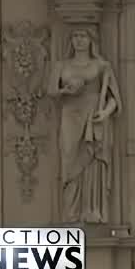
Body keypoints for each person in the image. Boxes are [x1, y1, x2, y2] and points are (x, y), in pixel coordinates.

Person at [49, 28, 120, 224]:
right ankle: (70, 214)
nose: (79, 40)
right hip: (70, 116)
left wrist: (104, 113)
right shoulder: (61, 65)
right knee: (69, 161)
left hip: (93, 115)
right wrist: (67, 90)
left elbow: (113, 98)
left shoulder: (102, 66)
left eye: (83, 36)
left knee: (91, 162)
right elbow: (51, 91)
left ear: (91, 40)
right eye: (75, 36)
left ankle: (91, 209)